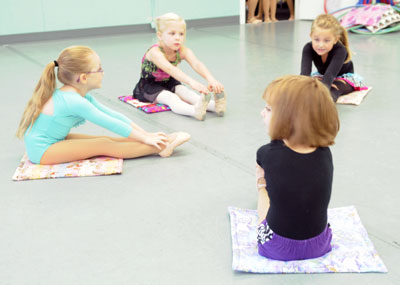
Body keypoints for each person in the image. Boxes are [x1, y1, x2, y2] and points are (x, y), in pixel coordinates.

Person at [16, 46, 190, 165]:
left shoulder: (78, 95)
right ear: (83, 78)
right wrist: (146, 139)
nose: (103, 72)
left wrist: (146, 134)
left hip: (50, 143)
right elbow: (110, 124)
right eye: (99, 69)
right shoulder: (75, 101)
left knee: (107, 140)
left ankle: (159, 142)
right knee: (102, 144)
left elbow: (114, 116)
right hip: (42, 151)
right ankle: (161, 147)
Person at [256, 75, 340, 261]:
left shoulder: (266, 153)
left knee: (264, 191)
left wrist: (263, 183)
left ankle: (260, 188)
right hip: (320, 245)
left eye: (268, 109)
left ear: (289, 118)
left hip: (276, 247)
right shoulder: (325, 151)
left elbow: (271, 167)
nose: (262, 113)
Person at [132, 13, 226, 121]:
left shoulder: (182, 50)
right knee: (171, 98)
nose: (177, 38)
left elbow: (196, 63)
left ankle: (215, 107)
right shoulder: (155, 52)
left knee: (188, 94)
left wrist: (211, 79)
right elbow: (170, 69)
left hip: (169, 82)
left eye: (181, 34)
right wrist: (192, 82)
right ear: (160, 35)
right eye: (172, 34)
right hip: (149, 87)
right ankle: (194, 111)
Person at [300, 14, 366, 102]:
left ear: (335, 39)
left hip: (343, 77)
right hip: (322, 75)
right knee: (310, 85)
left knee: (334, 88)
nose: (321, 45)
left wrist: (323, 93)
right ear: (311, 36)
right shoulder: (308, 48)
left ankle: (325, 104)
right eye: (316, 40)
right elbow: (304, 74)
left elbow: (330, 75)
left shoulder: (341, 50)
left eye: (326, 40)